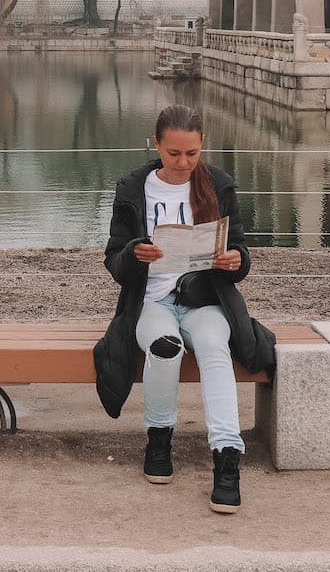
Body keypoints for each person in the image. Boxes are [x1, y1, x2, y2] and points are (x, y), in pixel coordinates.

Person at [92, 103, 275, 514]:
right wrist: (135, 253)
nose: (183, 162)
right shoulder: (133, 189)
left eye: (191, 153)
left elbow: (240, 252)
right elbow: (114, 260)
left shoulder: (220, 185)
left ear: (202, 144)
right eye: (173, 153)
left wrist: (235, 261)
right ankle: (159, 441)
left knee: (214, 347)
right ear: (157, 144)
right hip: (151, 300)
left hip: (204, 300)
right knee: (164, 347)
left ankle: (227, 458)